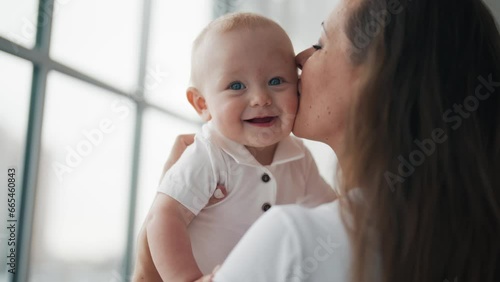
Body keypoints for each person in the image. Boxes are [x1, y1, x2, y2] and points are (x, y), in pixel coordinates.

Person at [166, 0, 500, 281]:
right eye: (236, 85)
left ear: (373, 79)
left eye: (321, 44)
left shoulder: (294, 243)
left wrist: (146, 265)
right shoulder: (467, 241)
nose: (298, 59)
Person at [132, 12, 337, 282]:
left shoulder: (298, 155)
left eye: (276, 81)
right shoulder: (208, 152)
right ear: (202, 104)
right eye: (236, 86)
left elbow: (334, 214)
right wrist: (186, 278)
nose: (261, 98)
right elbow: (163, 218)